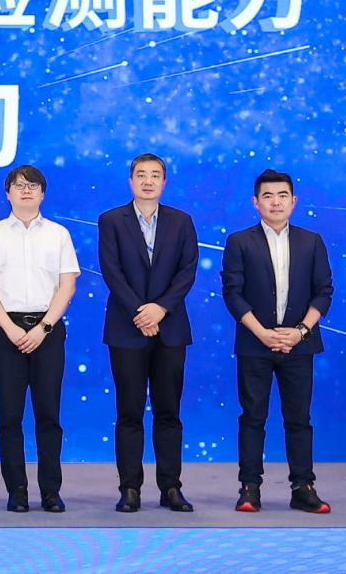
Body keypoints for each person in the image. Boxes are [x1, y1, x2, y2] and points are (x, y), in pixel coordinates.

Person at [222, 168, 334, 515]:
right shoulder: (240, 241)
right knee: (252, 417)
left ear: (293, 201)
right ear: (255, 202)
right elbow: (233, 293)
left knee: (299, 419)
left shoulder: (311, 241)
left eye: (282, 195)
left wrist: (300, 331)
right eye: (267, 196)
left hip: (299, 344)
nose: (275, 202)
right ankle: (249, 488)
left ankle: (303, 487)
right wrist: (263, 333)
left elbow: (324, 291)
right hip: (255, 343)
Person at [0, 165, 79, 514]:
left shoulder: (59, 234)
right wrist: (9, 327)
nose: (26, 191)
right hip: (7, 330)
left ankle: (51, 491)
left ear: (43, 194)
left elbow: (67, 285)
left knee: (48, 414)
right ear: (8, 193)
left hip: (48, 329)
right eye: (19, 186)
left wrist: (43, 327)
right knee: (9, 416)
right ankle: (16, 490)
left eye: (33, 186)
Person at [98, 153, 199, 514]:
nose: (148, 181)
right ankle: (129, 488)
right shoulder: (111, 220)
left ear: (164, 182)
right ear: (131, 181)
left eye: (155, 175)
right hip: (127, 329)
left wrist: (161, 309)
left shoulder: (181, 221)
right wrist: (141, 312)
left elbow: (187, 271)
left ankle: (171, 487)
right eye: (141, 175)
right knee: (129, 412)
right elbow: (111, 271)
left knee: (169, 412)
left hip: (170, 328)